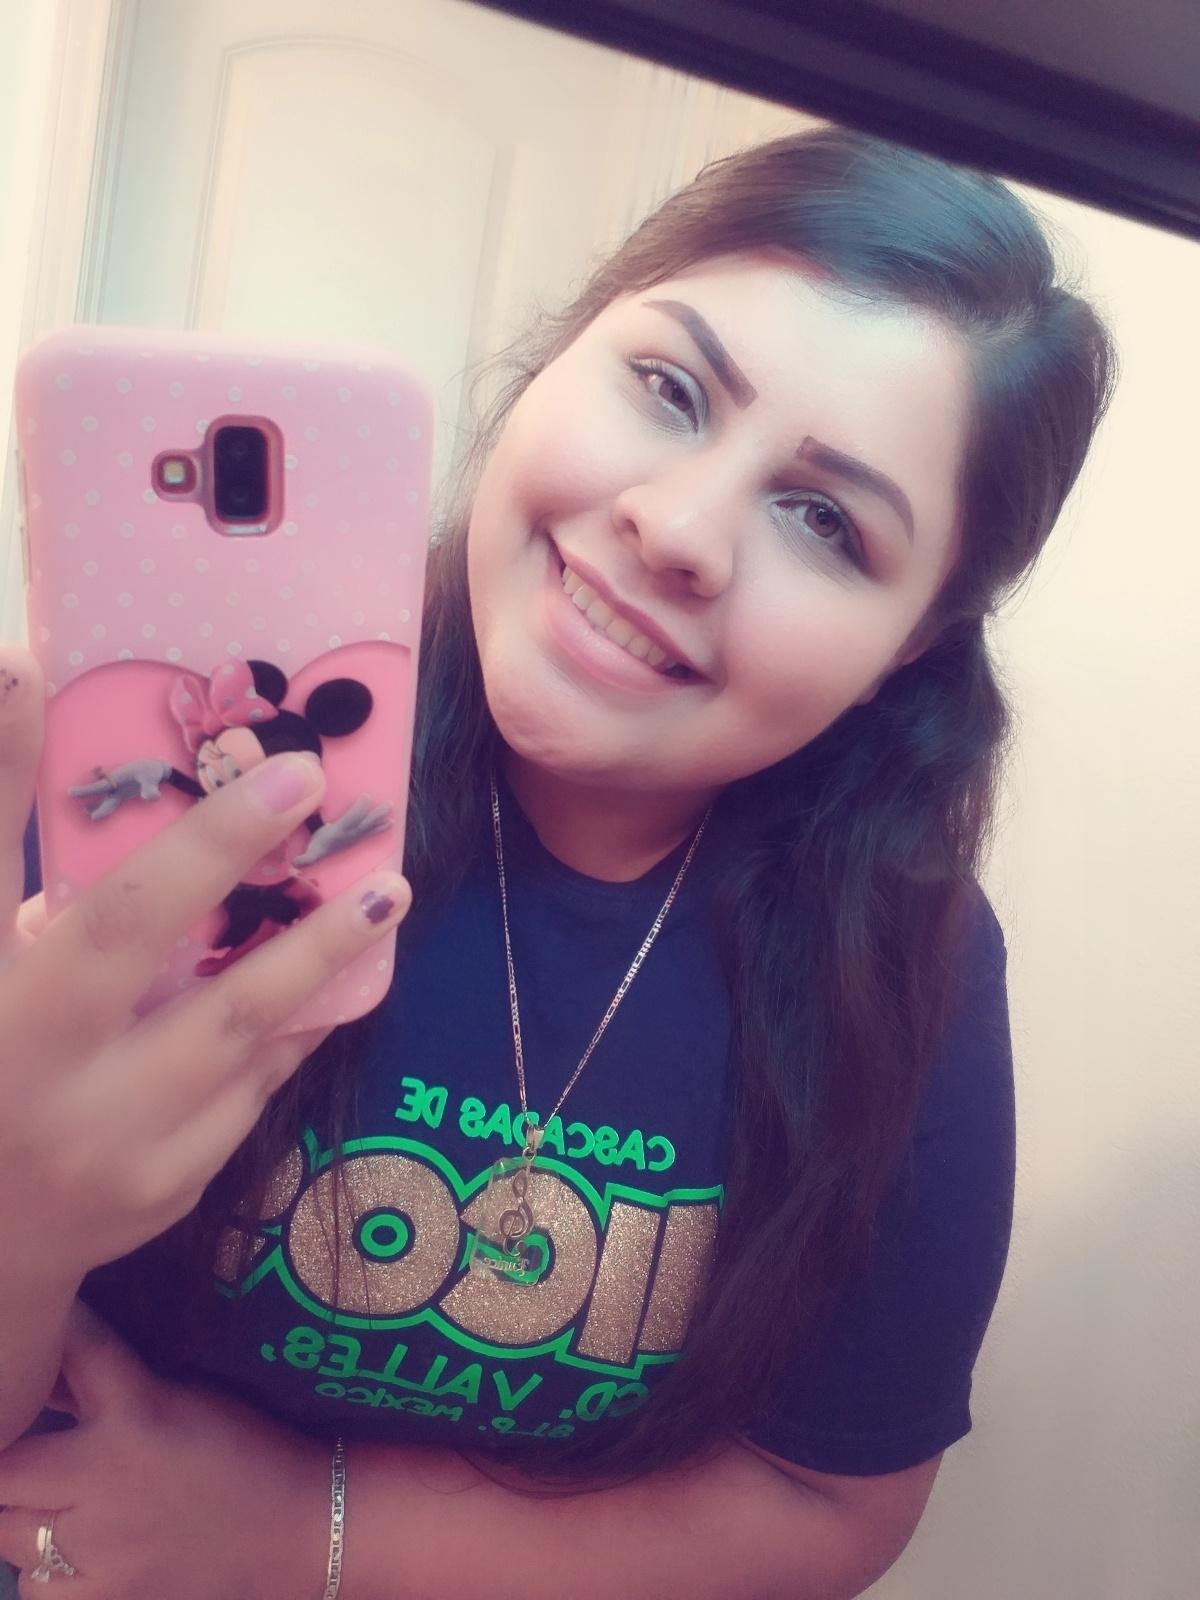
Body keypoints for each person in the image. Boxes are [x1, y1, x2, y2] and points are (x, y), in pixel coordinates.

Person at [0, 128, 1116, 1600]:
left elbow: (830, 1504)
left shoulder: (909, 960)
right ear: (556, 359)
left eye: (825, 520)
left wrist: (298, 1532)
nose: (679, 526)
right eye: (670, 388)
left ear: (908, 646)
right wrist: (24, 1213)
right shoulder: (152, 790)